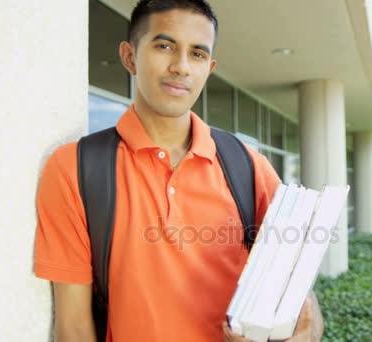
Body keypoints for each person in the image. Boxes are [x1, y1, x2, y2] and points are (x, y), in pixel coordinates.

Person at [33, 0, 324, 341]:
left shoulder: (247, 166)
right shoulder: (76, 169)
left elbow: (296, 287)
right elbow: (74, 327)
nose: (181, 66)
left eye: (197, 54)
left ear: (209, 67)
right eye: (164, 46)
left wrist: (307, 331)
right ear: (129, 56)